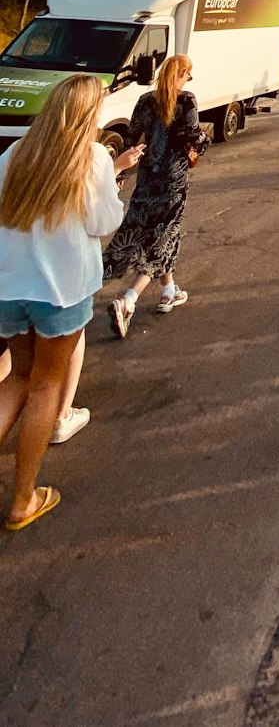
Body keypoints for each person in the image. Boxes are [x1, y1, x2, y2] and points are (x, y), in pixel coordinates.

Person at [0, 75, 142, 528]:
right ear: (87, 114)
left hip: (8, 286)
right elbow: (103, 222)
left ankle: (24, 493)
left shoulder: (14, 153)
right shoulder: (92, 158)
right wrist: (116, 182)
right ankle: (23, 499)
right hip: (60, 292)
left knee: (17, 378)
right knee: (45, 387)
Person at [104, 54, 208, 336]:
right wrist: (205, 140)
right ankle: (128, 300)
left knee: (149, 233)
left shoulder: (145, 101)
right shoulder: (186, 100)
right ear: (183, 73)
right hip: (173, 182)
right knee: (161, 239)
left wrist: (121, 173)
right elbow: (192, 133)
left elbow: (131, 137)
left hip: (148, 178)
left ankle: (168, 291)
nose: (188, 80)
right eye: (188, 75)